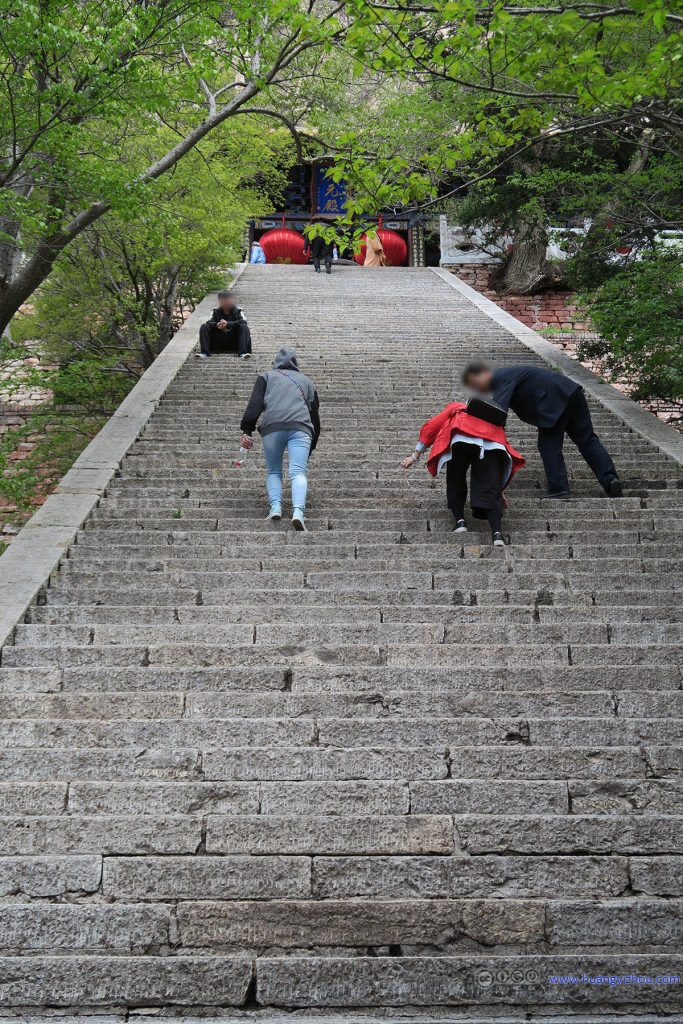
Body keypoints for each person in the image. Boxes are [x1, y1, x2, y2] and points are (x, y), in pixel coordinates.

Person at [462, 361, 622, 500]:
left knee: (548, 445)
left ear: (483, 373)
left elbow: (498, 411)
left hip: (552, 399)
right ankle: (610, 480)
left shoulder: (498, 377)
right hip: (571, 392)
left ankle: (559, 489)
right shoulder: (508, 374)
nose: (476, 388)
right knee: (587, 440)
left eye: (474, 382)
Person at [401, 400, 524, 546]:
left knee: (455, 478)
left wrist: (415, 456)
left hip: (462, 437)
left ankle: (460, 522)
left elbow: (432, 426)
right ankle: (497, 534)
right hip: (492, 443)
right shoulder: (492, 418)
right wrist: (500, 489)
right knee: (490, 485)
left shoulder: (458, 407)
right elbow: (498, 467)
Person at [240, 348, 321, 531]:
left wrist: (247, 429)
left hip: (272, 427)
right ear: (295, 364)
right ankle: (298, 512)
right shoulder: (307, 381)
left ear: (276, 362)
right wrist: (312, 443)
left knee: (274, 471)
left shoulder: (266, 377)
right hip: (301, 428)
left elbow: (255, 404)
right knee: (298, 472)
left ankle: (275, 508)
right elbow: (314, 414)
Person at [198, 292, 252, 360]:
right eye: (224, 301)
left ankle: (242, 353)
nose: (226, 303)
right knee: (204, 326)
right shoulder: (215, 311)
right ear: (220, 302)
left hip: (234, 342)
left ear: (233, 300)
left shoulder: (238, 311)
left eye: (228, 301)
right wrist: (217, 325)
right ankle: (205, 353)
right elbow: (209, 322)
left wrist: (228, 324)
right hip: (219, 342)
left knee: (244, 326)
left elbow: (243, 321)